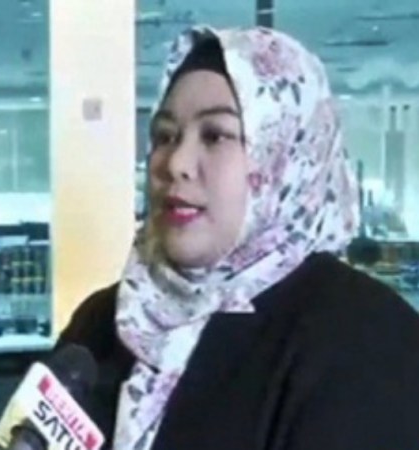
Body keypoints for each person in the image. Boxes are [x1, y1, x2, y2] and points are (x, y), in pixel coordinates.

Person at [56, 25, 419, 450]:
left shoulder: (364, 337)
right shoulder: (105, 323)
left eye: (215, 135)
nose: (176, 163)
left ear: (284, 154)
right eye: (165, 136)